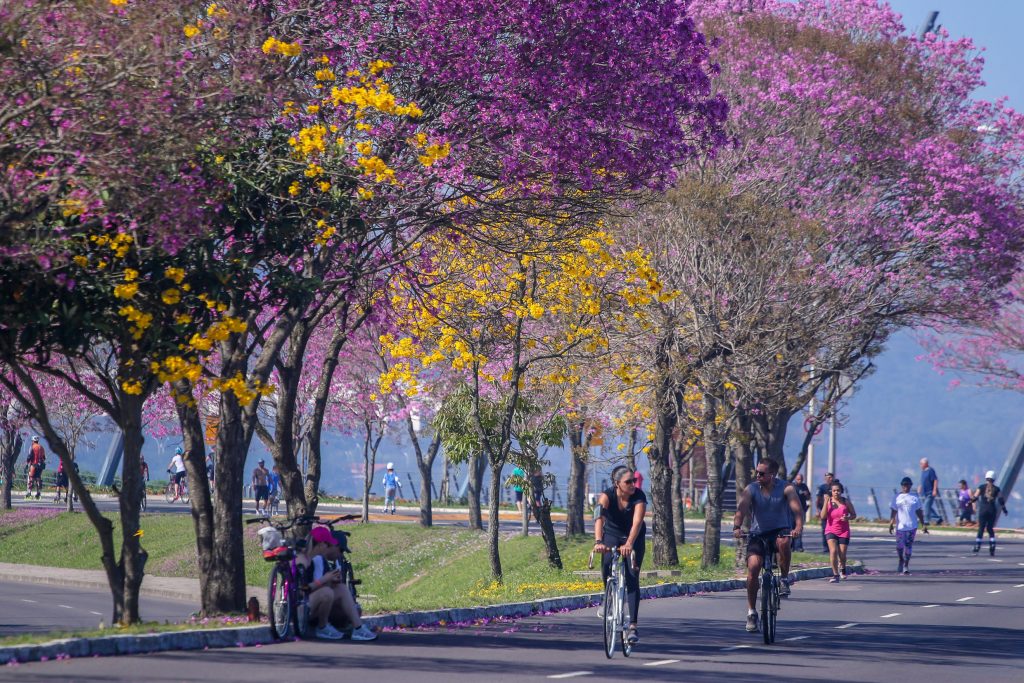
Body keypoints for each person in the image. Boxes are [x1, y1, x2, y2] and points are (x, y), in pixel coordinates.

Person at [734, 458, 804, 633]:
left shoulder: (786, 488)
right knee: (753, 568)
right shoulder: (751, 489)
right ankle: (751, 612)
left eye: (762, 473)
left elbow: (796, 508)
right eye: (757, 472)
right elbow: (741, 508)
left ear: (772, 475)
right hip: (758, 533)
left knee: (784, 541)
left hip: (779, 530)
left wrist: (798, 526)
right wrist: (737, 526)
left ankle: (784, 579)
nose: (758, 475)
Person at [594, 466, 646, 645]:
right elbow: (598, 517)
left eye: (634, 481)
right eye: (628, 482)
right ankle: (607, 598)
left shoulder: (639, 496)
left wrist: (630, 543)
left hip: (634, 536)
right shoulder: (607, 495)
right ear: (617, 484)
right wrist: (598, 541)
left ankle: (632, 626)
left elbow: (637, 521)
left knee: (632, 576)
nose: (633, 484)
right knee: (606, 562)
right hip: (612, 534)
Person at [306, 526, 377, 641]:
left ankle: (358, 628)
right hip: (304, 607)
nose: (341, 554)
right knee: (328, 592)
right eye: (340, 550)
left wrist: (331, 581)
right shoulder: (314, 559)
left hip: (312, 602)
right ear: (322, 545)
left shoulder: (321, 560)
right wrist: (326, 580)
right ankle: (323, 627)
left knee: (342, 589)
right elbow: (308, 589)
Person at [889, 476, 928, 574]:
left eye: (907, 484)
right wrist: (891, 523)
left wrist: (923, 524)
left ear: (910, 485)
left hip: (912, 526)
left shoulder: (914, 497)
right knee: (899, 546)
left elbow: (919, 511)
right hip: (900, 527)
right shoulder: (897, 497)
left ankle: (906, 565)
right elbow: (894, 510)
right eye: (903, 485)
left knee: (908, 546)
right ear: (901, 486)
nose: (905, 486)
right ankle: (901, 559)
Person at [821, 480, 856, 582]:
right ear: (831, 491)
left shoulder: (845, 502)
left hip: (843, 531)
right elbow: (823, 516)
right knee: (833, 551)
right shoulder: (828, 502)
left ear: (841, 491)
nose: (836, 492)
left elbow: (854, 515)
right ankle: (835, 575)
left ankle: (843, 568)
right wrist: (826, 502)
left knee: (842, 554)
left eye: (838, 490)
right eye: (834, 490)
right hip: (831, 529)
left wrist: (847, 518)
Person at [971, 471, 1009, 556]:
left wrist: (969, 502)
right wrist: (1004, 510)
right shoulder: (997, 489)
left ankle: (977, 546)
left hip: (983, 510)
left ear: (986, 477)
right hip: (992, 511)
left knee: (981, 528)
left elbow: (974, 497)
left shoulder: (981, 487)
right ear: (994, 479)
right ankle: (992, 545)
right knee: (990, 529)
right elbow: (1001, 500)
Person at [814, 472, 835, 552]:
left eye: (831, 477)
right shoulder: (822, 488)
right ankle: (826, 547)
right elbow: (818, 500)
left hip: (834, 511)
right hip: (825, 510)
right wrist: (817, 510)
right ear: (825, 478)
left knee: (834, 529)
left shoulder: (835, 487)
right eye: (828, 477)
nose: (830, 479)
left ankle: (833, 546)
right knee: (825, 529)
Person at [918, 458, 942, 525]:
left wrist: (934, 490)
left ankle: (926, 521)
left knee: (926, 506)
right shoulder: (923, 471)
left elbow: (935, 480)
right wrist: (920, 487)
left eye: (921, 464)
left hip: (930, 492)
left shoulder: (930, 470)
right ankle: (938, 519)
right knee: (928, 507)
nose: (920, 465)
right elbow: (922, 481)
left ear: (925, 464)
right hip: (924, 492)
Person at [792, 473, 812, 551]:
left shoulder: (804, 486)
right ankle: (791, 546)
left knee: (799, 528)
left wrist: (806, 494)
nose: (799, 481)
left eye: (801, 479)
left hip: (801, 510)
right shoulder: (792, 486)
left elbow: (808, 498)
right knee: (792, 527)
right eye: (798, 479)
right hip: (792, 510)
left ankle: (798, 546)